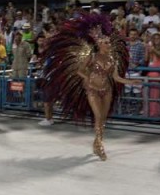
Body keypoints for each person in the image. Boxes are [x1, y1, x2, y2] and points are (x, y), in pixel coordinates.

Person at [44, 12, 142, 160]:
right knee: (98, 116)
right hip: (93, 90)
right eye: (106, 43)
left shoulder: (112, 59)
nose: (109, 45)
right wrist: (87, 78)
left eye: (109, 42)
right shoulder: (92, 57)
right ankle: (100, 146)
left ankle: (97, 143)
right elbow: (80, 70)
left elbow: (116, 77)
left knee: (103, 119)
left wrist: (130, 82)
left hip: (107, 90)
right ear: (99, 44)